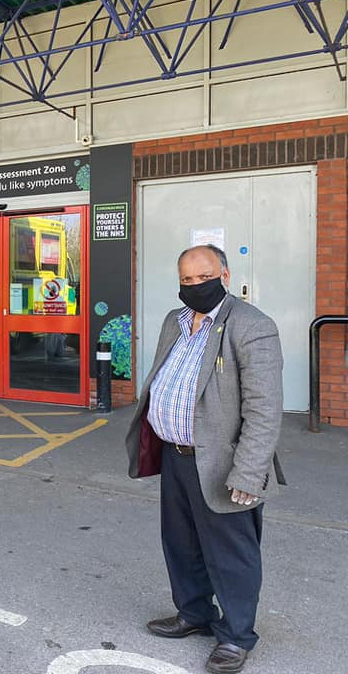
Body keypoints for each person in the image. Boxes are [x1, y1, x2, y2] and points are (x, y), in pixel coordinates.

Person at [126, 244, 285, 674]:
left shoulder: (252, 326)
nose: (195, 286)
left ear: (225, 276)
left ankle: (235, 636)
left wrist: (249, 471)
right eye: (186, 280)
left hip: (222, 462)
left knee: (231, 552)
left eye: (204, 276)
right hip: (176, 457)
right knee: (181, 543)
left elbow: (264, 410)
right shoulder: (173, 322)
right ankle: (193, 613)